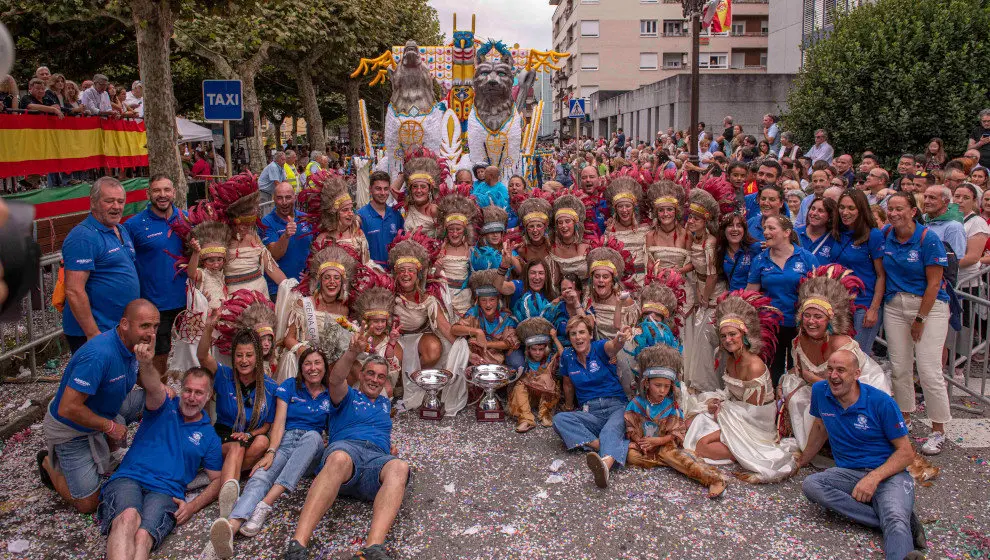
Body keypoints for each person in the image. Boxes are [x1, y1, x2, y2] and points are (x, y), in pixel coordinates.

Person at [284, 336, 410, 560]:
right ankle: (297, 546)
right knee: (340, 458)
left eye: (380, 376)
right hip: (346, 456)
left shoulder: (384, 404)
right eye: (370, 373)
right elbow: (335, 378)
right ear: (361, 375)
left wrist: (388, 446)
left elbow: (380, 432)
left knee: (400, 466)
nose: (374, 379)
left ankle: (372, 549)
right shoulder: (347, 395)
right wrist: (352, 352)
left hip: (375, 463)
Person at [797, 350, 925, 560]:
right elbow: (820, 428)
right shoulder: (821, 391)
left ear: (856, 374)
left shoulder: (881, 402)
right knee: (812, 485)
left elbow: (906, 453)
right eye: (829, 369)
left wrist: (873, 478)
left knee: (894, 517)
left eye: (841, 370)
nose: (833, 376)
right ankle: (895, 520)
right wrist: (801, 461)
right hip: (848, 473)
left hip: (889, 474)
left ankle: (897, 531)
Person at [99, 345, 222, 560]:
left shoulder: (209, 436)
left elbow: (217, 480)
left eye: (199, 392)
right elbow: (153, 385)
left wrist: (192, 506)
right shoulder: (164, 404)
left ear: (209, 395)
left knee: (143, 536)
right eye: (188, 390)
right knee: (127, 518)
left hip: (166, 492)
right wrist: (146, 363)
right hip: (130, 478)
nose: (192, 397)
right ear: (180, 388)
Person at [38, 300, 157, 514]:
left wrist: (148, 364)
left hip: (108, 408)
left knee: (159, 400)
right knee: (88, 504)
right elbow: (68, 408)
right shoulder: (99, 355)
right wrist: (109, 427)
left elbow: (152, 386)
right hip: (72, 428)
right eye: (145, 326)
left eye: (155, 327)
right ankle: (48, 463)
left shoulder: (133, 346)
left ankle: (136, 451)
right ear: (124, 324)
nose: (151, 333)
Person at [209, 349, 331, 557]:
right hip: (285, 440)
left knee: (312, 437)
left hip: (312, 449)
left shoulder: (330, 394)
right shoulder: (289, 386)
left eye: (317, 363)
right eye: (307, 364)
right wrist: (271, 451)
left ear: (325, 367)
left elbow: (333, 430)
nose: (312, 368)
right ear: (301, 368)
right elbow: (279, 422)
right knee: (260, 476)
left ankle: (266, 504)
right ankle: (232, 527)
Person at [684, 290, 797, 483]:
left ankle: (742, 452)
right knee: (690, 422)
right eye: (724, 336)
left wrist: (722, 410)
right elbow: (732, 393)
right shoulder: (729, 359)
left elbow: (754, 413)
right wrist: (717, 403)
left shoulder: (754, 366)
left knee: (702, 445)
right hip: (735, 411)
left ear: (744, 335)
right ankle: (730, 445)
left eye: (733, 334)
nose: (728, 340)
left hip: (754, 424)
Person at [779, 266, 892, 452]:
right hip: (826, 391)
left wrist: (813, 380)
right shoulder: (799, 341)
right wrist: (780, 386)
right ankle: (821, 443)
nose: (811, 321)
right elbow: (799, 371)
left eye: (818, 317)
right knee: (794, 391)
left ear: (830, 321)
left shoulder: (841, 345)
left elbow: (849, 389)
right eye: (807, 315)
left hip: (857, 393)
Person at [882, 192, 952, 456]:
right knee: (899, 366)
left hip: (928, 306)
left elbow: (935, 283)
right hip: (895, 305)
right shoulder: (886, 234)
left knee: (928, 369)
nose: (894, 213)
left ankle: (938, 429)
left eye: (900, 208)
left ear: (913, 211)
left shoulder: (928, 238)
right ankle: (905, 419)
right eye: (890, 208)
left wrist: (920, 319)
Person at [197, 310, 277, 520]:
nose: (244, 360)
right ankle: (228, 508)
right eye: (239, 355)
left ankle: (223, 480)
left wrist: (249, 435)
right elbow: (202, 356)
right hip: (223, 437)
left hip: (248, 438)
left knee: (261, 442)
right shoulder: (224, 375)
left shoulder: (270, 387)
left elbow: (268, 425)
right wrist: (208, 328)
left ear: (258, 356)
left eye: (249, 355)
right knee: (235, 447)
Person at [624, 344, 727, 498]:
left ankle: (713, 479)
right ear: (646, 383)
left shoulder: (671, 406)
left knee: (669, 454)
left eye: (666, 387)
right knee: (631, 456)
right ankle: (676, 462)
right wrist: (641, 442)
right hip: (645, 446)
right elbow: (631, 427)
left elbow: (676, 433)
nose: (662, 391)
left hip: (664, 444)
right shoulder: (636, 404)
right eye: (657, 385)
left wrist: (658, 441)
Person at [553, 315, 633, 488]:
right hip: (590, 411)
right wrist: (568, 406)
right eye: (573, 334)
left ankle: (604, 466)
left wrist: (619, 339)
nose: (578, 337)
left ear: (590, 335)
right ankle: (601, 445)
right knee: (559, 420)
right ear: (569, 338)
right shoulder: (567, 356)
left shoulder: (599, 347)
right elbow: (567, 384)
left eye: (582, 332)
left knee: (611, 428)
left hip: (616, 406)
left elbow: (613, 347)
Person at [62, 177, 140, 353]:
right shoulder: (83, 236)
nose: (116, 206)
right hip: (96, 332)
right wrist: (92, 333)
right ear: (93, 203)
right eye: (109, 201)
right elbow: (74, 289)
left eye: (120, 201)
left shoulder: (120, 229)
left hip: (118, 327)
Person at [123, 175, 188, 376]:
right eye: (157, 191)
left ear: (174, 192)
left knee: (193, 351)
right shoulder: (134, 225)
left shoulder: (187, 219)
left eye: (167, 190)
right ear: (148, 194)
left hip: (188, 300)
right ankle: (158, 401)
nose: (162, 195)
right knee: (158, 355)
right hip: (155, 305)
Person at [746, 215, 820, 385]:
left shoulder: (807, 258)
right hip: (772, 327)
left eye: (772, 228)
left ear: (787, 232)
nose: (766, 232)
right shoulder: (760, 260)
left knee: (801, 371)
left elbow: (818, 292)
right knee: (773, 372)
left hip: (801, 325)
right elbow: (751, 295)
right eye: (765, 228)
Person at [832, 189, 887, 356]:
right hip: (839, 304)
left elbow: (881, 275)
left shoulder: (874, 235)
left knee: (857, 356)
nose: (845, 212)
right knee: (838, 355)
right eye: (841, 207)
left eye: (851, 208)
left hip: (863, 304)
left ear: (861, 209)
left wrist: (874, 309)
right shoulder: (837, 232)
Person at [214, 174, 287, 299]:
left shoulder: (254, 236)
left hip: (260, 298)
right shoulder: (220, 239)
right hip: (233, 301)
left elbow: (271, 268)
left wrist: (290, 287)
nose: (244, 228)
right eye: (240, 223)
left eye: (249, 224)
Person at [450, 269, 522, 369]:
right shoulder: (474, 313)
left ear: (497, 300)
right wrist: (477, 331)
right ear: (478, 302)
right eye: (483, 300)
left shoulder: (506, 317)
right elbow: (454, 329)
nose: (488, 304)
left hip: (497, 356)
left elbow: (509, 343)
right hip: (477, 357)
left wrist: (486, 344)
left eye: (492, 300)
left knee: (516, 362)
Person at [509, 317, 563, 433]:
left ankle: (544, 414)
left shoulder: (550, 357)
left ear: (546, 349)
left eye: (541, 349)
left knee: (546, 378)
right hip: (529, 395)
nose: (538, 353)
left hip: (546, 394)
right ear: (528, 349)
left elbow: (563, 354)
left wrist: (554, 338)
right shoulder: (524, 359)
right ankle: (526, 419)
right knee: (519, 385)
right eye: (534, 349)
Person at [261, 182, 313, 298]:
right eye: (280, 198)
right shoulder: (267, 222)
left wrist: (312, 272)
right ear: (273, 199)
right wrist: (285, 236)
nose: (284, 202)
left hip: (306, 286)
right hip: (279, 289)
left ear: (295, 198)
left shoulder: (306, 218)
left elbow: (316, 248)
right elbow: (274, 255)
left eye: (288, 197)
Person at [435, 189, 479, 318]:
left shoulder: (471, 251)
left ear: (465, 231)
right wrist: (437, 270)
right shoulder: (439, 250)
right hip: (445, 296)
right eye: (451, 230)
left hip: (465, 297)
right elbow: (433, 276)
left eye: (458, 229)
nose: (455, 234)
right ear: (445, 231)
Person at [603, 175, 650, 285]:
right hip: (620, 280)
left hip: (643, 278)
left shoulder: (645, 228)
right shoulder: (610, 230)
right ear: (615, 209)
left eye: (628, 206)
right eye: (620, 206)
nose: (624, 210)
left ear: (634, 207)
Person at [358, 171, 404, 268]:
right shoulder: (361, 216)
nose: (383, 193)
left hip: (394, 273)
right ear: (370, 189)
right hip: (371, 274)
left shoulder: (396, 214)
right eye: (378, 189)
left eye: (386, 189)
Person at [548, 193, 591, 285]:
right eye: (560, 222)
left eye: (567, 221)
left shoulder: (588, 246)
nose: (564, 226)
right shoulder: (554, 249)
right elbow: (554, 280)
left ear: (575, 224)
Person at [399, 152, 441, 237]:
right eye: (415, 186)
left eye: (423, 187)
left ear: (430, 189)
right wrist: (406, 173)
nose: (418, 190)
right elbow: (393, 188)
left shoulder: (433, 210)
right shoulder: (409, 205)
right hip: (408, 249)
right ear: (410, 189)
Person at [716, 213, 759, 292]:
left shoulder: (755, 248)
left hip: (751, 300)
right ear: (723, 230)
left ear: (744, 230)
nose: (735, 229)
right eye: (730, 225)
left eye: (739, 226)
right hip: (733, 300)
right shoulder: (721, 252)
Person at [796, 195, 837, 260]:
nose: (814, 213)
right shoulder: (795, 233)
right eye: (812, 208)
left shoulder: (834, 238)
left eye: (820, 211)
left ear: (830, 216)